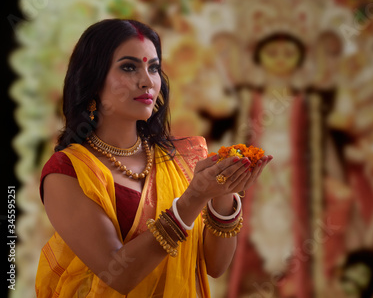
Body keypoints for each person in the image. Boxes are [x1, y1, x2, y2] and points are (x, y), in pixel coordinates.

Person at [35, 19, 272, 297]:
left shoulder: (182, 158)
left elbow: (215, 266)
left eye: (154, 68)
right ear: (93, 79)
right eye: (129, 67)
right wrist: (194, 198)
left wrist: (223, 194)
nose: (147, 81)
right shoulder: (67, 172)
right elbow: (119, 274)